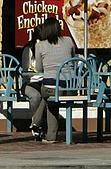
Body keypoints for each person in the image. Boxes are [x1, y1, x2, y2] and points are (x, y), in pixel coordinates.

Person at [34, 16, 76, 144]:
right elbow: (73, 58)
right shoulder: (68, 41)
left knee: (47, 96)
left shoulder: (40, 45)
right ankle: (40, 126)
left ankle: (38, 123)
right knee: (50, 99)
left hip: (51, 87)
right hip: (70, 87)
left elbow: (39, 68)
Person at [21, 25, 46, 140]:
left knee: (47, 94)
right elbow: (25, 69)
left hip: (44, 80)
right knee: (36, 96)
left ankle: (40, 123)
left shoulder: (48, 48)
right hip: (30, 82)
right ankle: (37, 124)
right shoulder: (28, 49)